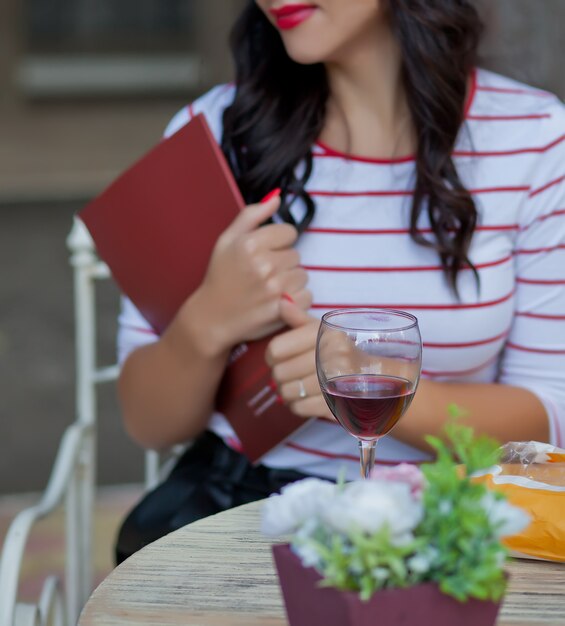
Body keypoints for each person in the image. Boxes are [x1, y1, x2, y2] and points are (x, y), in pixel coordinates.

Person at [114, 0, 565, 562]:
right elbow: (149, 422)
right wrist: (209, 320)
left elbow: (551, 416)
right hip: (245, 510)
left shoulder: (533, 136)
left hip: (454, 516)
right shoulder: (215, 131)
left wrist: (366, 381)